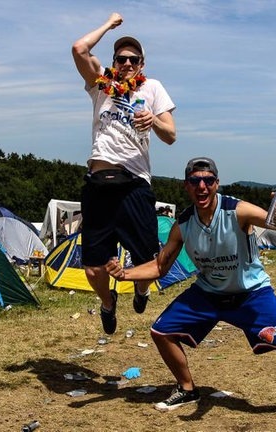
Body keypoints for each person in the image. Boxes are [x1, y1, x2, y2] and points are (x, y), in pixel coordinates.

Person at [105, 157, 276, 424]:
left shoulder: (238, 211)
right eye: (195, 181)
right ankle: (187, 388)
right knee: (161, 331)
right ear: (186, 186)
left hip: (251, 293)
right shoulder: (183, 225)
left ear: (216, 184)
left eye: (208, 180)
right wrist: (125, 274)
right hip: (208, 293)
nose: (201, 186)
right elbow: (160, 266)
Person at [72, 12, 177, 334]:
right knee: (93, 268)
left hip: (134, 182)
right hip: (99, 180)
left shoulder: (154, 87)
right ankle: (108, 303)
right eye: (121, 58)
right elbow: (79, 48)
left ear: (142, 64)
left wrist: (154, 122)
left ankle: (141, 290)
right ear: (114, 62)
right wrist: (109, 24)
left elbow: (171, 135)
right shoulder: (101, 86)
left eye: (134, 59)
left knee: (146, 257)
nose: (127, 63)